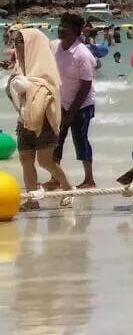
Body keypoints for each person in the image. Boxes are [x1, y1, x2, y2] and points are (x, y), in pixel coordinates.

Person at [7, 28, 73, 206]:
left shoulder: (46, 69)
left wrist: (27, 86)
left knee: (45, 161)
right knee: (26, 160)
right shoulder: (19, 68)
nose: (18, 48)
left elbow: (47, 93)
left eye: (22, 43)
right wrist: (13, 83)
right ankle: (32, 200)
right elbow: (13, 95)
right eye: (17, 43)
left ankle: (67, 188)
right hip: (25, 121)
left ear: (33, 46)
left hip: (44, 123)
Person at [53, 13, 98, 188]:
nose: (60, 29)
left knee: (80, 139)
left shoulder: (83, 54)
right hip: (61, 102)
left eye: (65, 26)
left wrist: (72, 112)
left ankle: (89, 179)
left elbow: (86, 86)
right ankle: (55, 178)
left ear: (76, 32)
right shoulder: (56, 47)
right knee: (56, 139)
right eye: (60, 24)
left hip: (82, 105)